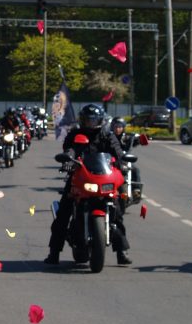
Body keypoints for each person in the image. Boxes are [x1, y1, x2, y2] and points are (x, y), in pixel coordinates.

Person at [44, 103, 131, 266]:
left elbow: (117, 151)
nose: (90, 123)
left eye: (93, 120)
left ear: (100, 120)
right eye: (87, 120)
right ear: (82, 120)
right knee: (63, 213)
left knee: (117, 214)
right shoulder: (75, 134)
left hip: (102, 178)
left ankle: (121, 252)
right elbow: (70, 149)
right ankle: (54, 252)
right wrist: (68, 160)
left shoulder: (106, 135)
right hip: (80, 177)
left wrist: (122, 163)